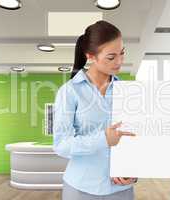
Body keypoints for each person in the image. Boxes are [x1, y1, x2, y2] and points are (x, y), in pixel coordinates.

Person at [53, 20, 137, 200]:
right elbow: (61, 145)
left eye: (122, 53)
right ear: (91, 56)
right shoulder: (69, 92)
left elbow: (135, 138)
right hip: (80, 188)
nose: (120, 61)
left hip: (121, 190)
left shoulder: (129, 92)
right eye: (111, 57)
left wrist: (133, 170)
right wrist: (103, 139)